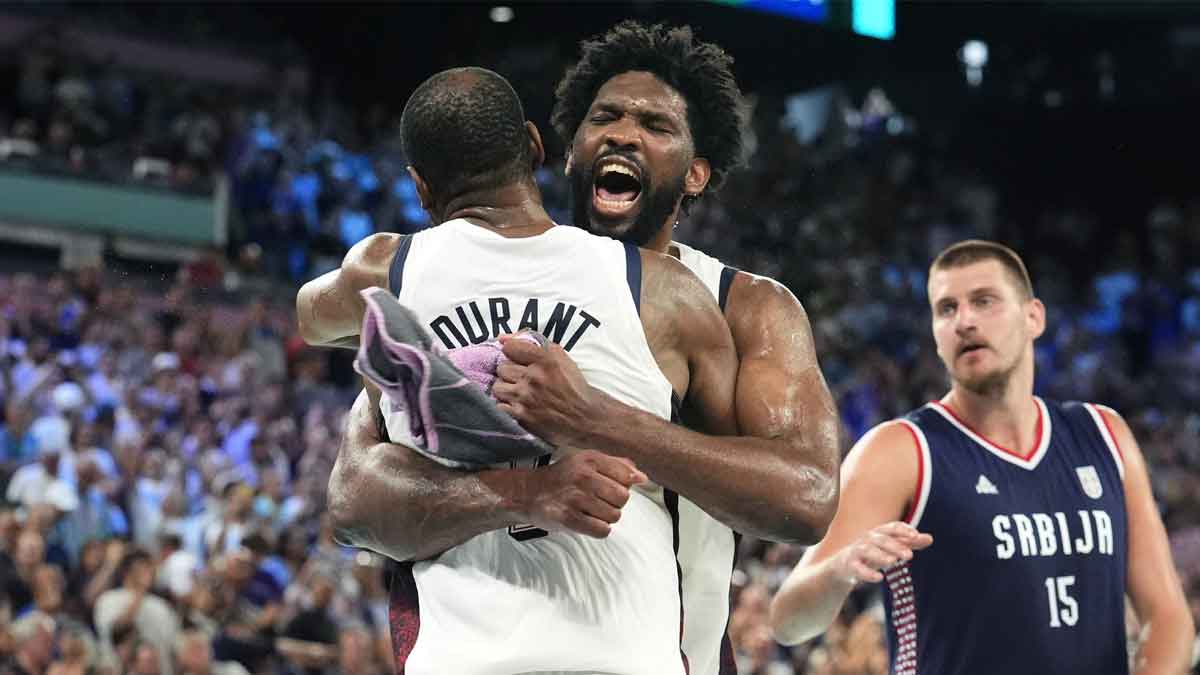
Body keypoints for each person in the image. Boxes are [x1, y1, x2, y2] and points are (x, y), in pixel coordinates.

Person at [322, 21, 842, 675]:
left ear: (696, 173)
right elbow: (353, 496)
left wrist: (594, 417)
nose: (624, 133)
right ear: (566, 151)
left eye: (656, 126)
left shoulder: (745, 306)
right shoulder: (453, 276)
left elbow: (807, 495)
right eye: (606, 116)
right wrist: (521, 491)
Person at [768, 240, 1196, 674]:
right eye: (946, 309)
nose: (964, 321)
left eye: (984, 301)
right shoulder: (901, 451)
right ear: (935, 336)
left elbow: (1166, 615)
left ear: (1034, 317)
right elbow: (787, 620)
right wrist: (840, 569)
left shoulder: (1104, 434)